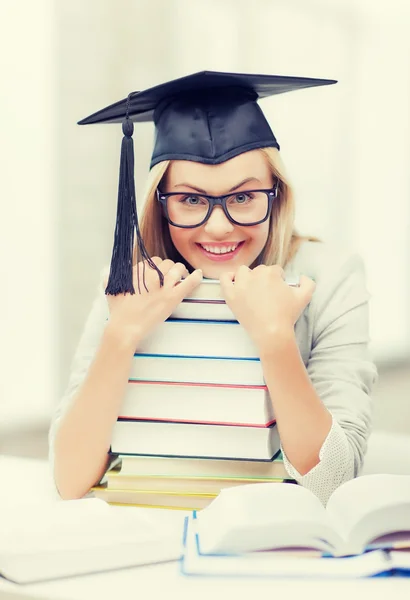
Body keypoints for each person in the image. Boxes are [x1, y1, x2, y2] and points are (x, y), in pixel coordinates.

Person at [49, 71, 377, 505]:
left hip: (273, 537)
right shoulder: (133, 280)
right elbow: (69, 481)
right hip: (146, 529)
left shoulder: (330, 275)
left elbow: (334, 482)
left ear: (276, 195)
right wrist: (122, 334)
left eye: (243, 197)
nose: (219, 227)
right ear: (159, 203)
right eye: (191, 199)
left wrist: (276, 338)